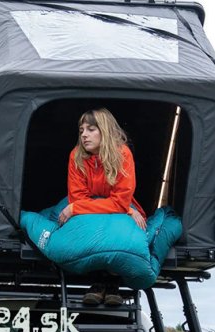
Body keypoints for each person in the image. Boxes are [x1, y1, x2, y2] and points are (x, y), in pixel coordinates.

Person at [57, 108, 147, 306]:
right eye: (81, 130)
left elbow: (120, 201)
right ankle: (100, 284)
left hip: (116, 206)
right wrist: (77, 208)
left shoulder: (123, 154)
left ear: (104, 130)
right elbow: (77, 198)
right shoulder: (76, 156)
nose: (84, 135)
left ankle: (110, 284)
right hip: (93, 208)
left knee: (122, 229)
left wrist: (127, 209)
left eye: (91, 129)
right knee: (87, 226)